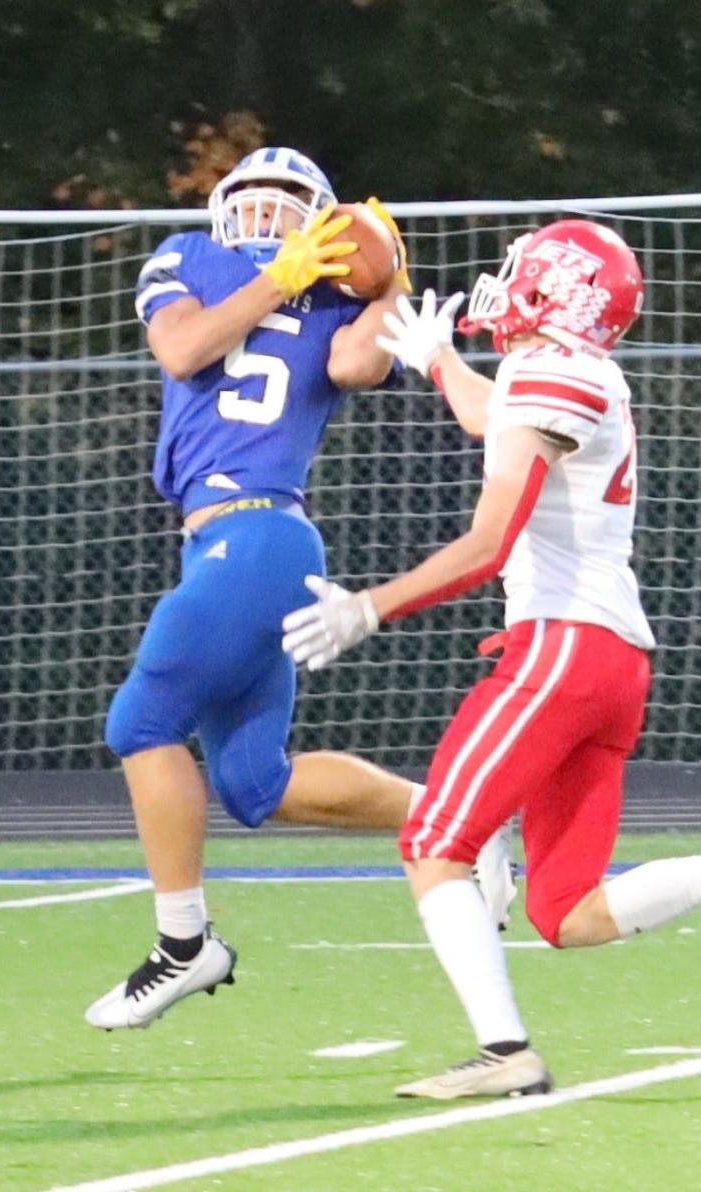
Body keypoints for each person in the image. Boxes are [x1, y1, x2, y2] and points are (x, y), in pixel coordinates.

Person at [281, 219, 701, 1098]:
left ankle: (505, 1053)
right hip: (611, 660)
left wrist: (372, 605)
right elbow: (498, 421)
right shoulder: (573, 371)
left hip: (563, 646)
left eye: (526, 271)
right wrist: (440, 359)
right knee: (569, 911)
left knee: (434, 841)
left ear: (557, 288)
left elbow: (489, 543)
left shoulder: (556, 372)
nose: (507, 281)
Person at [86, 147, 512, 1031]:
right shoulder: (186, 258)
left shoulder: (335, 294)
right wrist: (275, 281)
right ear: (224, 208)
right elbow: (181, 347)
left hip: (263, 532)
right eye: (255, 201)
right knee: (253, 783)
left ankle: (183, 945)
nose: (269, 219)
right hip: (216, 543)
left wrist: (387, 278)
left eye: (289, 208)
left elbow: (357, 366)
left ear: (321, 220)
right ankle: (462, 816)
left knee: (140, 723)